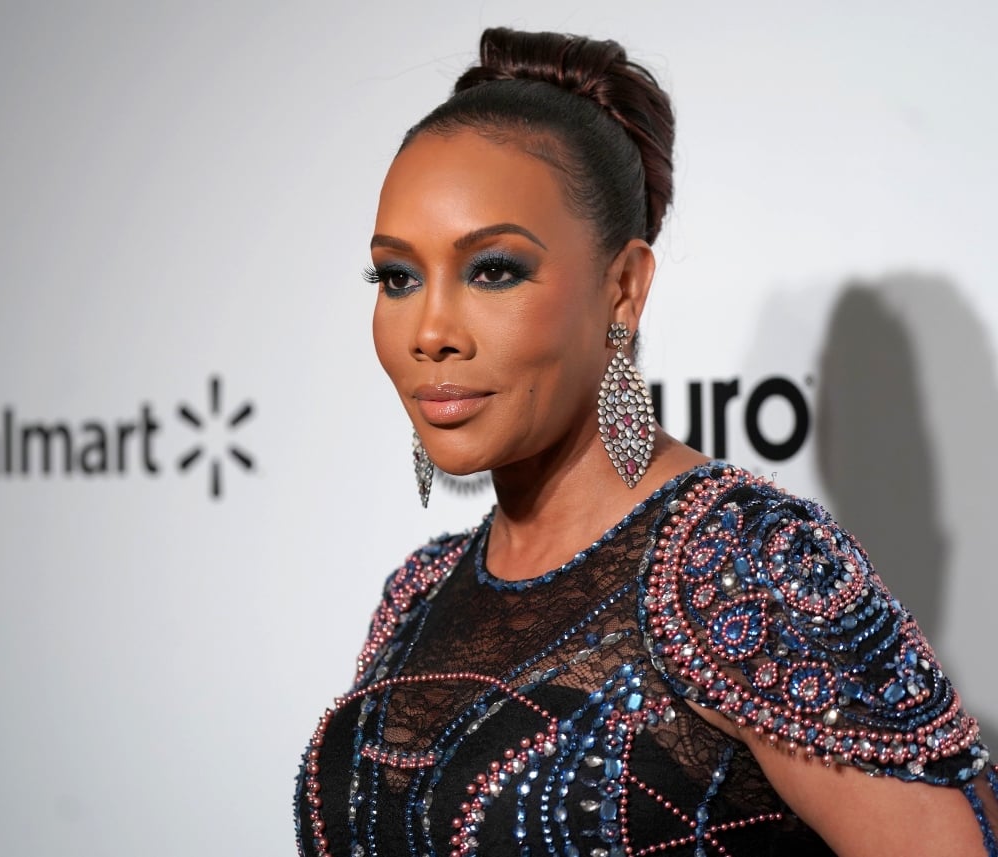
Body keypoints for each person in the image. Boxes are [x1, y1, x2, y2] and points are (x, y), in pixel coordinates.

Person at [294, 27, 998, 857]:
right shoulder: (417, 593)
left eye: (493, 270)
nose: (429, 330)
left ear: (623, 288)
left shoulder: (738, 562)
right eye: (397, 277)